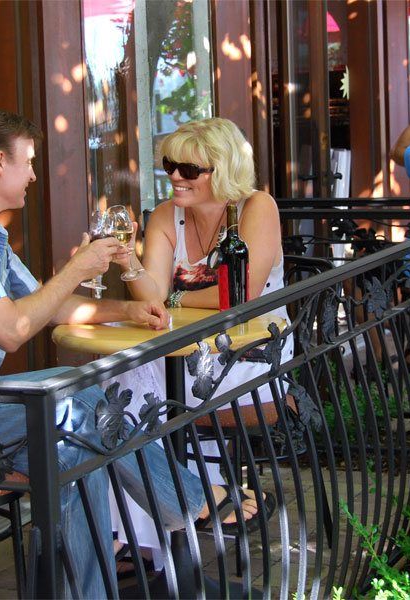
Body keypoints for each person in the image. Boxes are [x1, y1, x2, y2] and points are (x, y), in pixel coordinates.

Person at [0, 108, 256, 597]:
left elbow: (50, 307)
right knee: (73, 405)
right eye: (27, 161)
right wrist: (79, 266)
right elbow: (12, 328)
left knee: (75, 442)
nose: (32, 174)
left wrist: (124, 312)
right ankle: (190, 501)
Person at [111, 117, 287, 569]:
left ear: (222, 169)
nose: (174, 177)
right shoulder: (166, 215)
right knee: (120, 382)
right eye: (170, 165)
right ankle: (181, 508)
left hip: (253, 354)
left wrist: (177, 292)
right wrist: (128, 260)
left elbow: (240, 294)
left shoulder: (256, 207)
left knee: (127, 392)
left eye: (189, 170)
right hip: (186, 349)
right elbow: (151, 295)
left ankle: (135, 534)